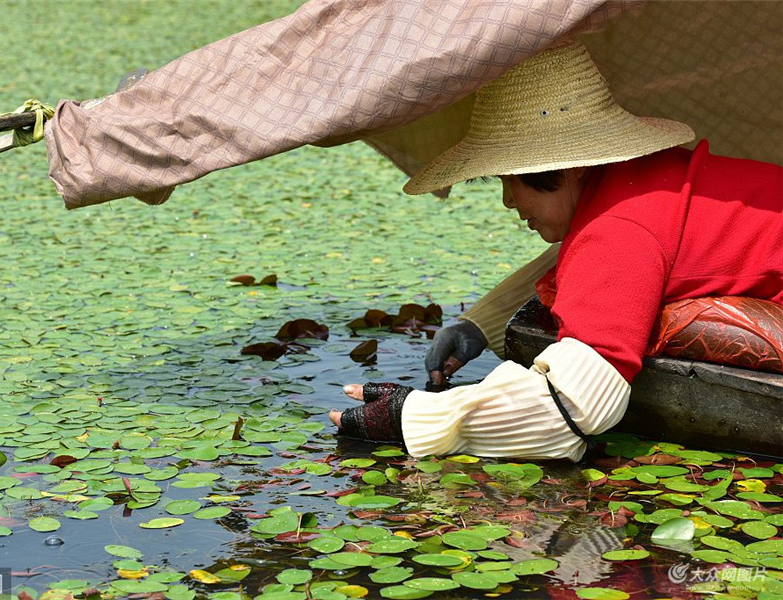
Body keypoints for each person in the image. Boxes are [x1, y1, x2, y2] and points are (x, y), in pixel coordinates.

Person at [328, 40, 783, 461]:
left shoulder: (618, 229)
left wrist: (415, 417)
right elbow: (586, 262)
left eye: (514, 178)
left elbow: (576, 407)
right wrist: (479, 325)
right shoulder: (640, 183)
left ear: (571, 166)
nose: (508, 200)